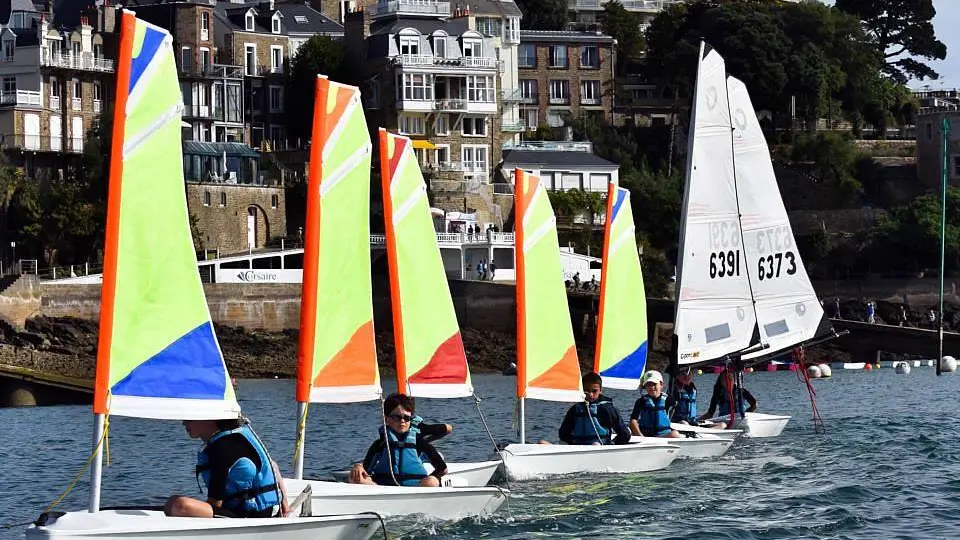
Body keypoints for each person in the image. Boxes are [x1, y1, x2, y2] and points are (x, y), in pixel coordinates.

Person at [165, 417, 288, 518]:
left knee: (179, 504)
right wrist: (284, 503)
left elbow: (215, 503)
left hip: (252, 515)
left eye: (189, 419)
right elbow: (273, 466)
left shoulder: (223, 448)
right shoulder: (237, 436)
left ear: (209, 419)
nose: (184, 423)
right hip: (268, 509)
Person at [348, 393, 447, 487]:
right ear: (387, 419)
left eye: (407, 418)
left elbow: (442, 469)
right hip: (384, 487)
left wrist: (427, 480)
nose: (402, 421)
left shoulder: (419, 442)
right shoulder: (380, 444)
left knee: (431, 482)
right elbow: (366, 469)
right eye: (397, 417)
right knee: (356, 477)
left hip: (416, 487)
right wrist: (358, 466)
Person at [558, 372, 632, 445]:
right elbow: (563, 434)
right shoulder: (575, 409)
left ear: (600, 390)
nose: (590, 395)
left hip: (599, 448)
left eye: (594, 391)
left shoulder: (607, 409)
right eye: (586, 390)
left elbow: (625, 434)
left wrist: (612, 444)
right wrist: (573, 443)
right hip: (579, 449)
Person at [630, 370, 682, 438]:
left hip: (663, 436)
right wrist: (641, 436)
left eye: (654, 384)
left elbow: (676, 415)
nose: (652, 387)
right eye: (648, 384)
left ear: (661, 385)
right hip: (645, 436)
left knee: (675, 434)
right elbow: (633, 421)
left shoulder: (669, 400)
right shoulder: (641, 401)